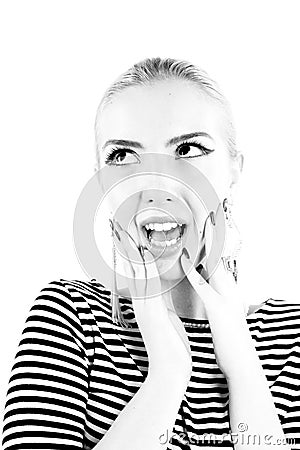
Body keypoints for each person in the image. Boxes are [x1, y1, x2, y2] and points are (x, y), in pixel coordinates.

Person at [2, 57, 299, 450]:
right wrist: (167, 374)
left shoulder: (292, 334)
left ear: (234, 170)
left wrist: (244, 369)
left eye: (189, 149)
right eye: (123, 156)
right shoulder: (68, 315)